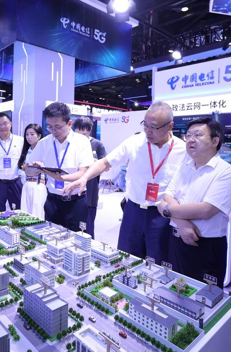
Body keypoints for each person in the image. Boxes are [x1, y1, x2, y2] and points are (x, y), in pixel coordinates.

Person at [65, 101, 187, 264]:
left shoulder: (183, 150)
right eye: (145, 125)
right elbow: (105, 162)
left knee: (159, 262)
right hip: (133, 211)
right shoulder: (134, 142)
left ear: (170, 126)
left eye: (153, 127)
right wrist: (85, 177)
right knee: (126, 258)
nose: (148, 131)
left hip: (161, 215)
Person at [157, 118, 231, 288]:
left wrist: (166, 210)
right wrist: (182, 224)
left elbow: (205, 210)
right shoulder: (183, 167)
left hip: (205, 246)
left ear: (215, 141)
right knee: (175, 290)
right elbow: (167, 196)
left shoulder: (226, 172)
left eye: (198, 135)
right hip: (176, 238)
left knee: (204, 297)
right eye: (188, 135)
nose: (190, 140)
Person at [26, 102, 94, 232]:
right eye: (50, 127)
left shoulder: (82, 141)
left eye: (58, 127)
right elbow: (27, 170)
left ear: (69, 123)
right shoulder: (44, 143)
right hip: (52, 201)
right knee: (50, 237)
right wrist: (34, 169)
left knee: (77, 239)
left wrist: (61, 178)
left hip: (76, 202)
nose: (53, 131)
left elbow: (83, 172)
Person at [73, 116, 107, 239]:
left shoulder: (97, 145)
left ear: (90, 131)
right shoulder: (71, 144)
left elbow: (106, 166)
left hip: (90, 192)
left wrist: (91, 161)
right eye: (78, 134)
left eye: (84, 134)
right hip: (74, 190)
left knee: (88, 228)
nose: (81, 137)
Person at [18, 124, 47, 219]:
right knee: (25, 215)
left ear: (39, 136)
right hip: (26, 184)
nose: (29, 137)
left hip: (39, 185)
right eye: (27, 134)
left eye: (32, 134)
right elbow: (21, 167)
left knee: (38, 214)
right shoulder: (26, 151)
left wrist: (29, 169)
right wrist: (25, 168)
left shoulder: (45, 151)